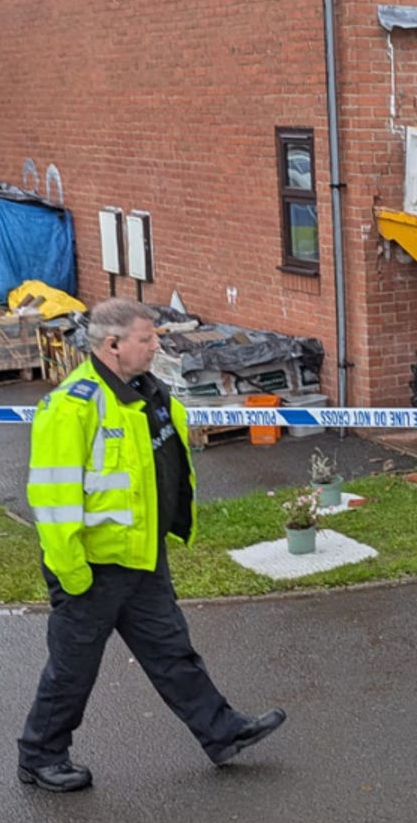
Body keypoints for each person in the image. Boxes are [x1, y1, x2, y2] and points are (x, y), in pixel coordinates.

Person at [17, 297, 285, 793]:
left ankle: (221, 732)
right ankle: (39, 757)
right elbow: (53, 502)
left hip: (141, 558)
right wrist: (73, 574)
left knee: (172, 653)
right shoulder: (73, 406)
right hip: (91, 567)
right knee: (72, 671)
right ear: (112, 345)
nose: (157, 344)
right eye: (148, 337)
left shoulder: (148, 394)